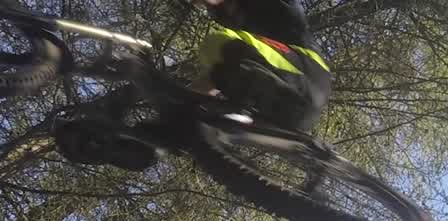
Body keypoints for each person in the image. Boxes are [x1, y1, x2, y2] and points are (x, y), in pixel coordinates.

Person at [54, 0, 331, 171]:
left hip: (306, 77)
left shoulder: (271, 8)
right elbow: (212, 80)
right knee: (192, 109)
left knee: (216, 43)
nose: (204, 7)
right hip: (282, 114)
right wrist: (173, 112)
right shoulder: (241, 47)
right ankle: (139, 146)